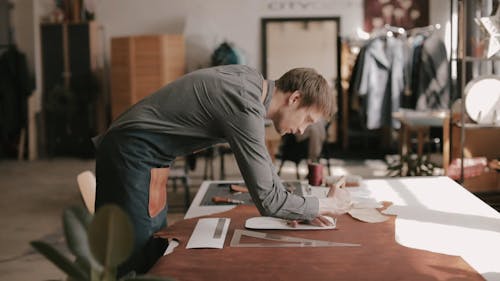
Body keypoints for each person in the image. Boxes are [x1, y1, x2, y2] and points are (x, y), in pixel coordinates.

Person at [93, 65, 352, 276]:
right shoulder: (245, 106)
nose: (302, 130)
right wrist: (327, 205)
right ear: (294, 98)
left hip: (144, 154)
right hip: (132, 153)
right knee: (136, 260)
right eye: (307, 119)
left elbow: (265, 168)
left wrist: (303, 208)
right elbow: (269, 201)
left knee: (156, 247)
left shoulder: (251, 84)